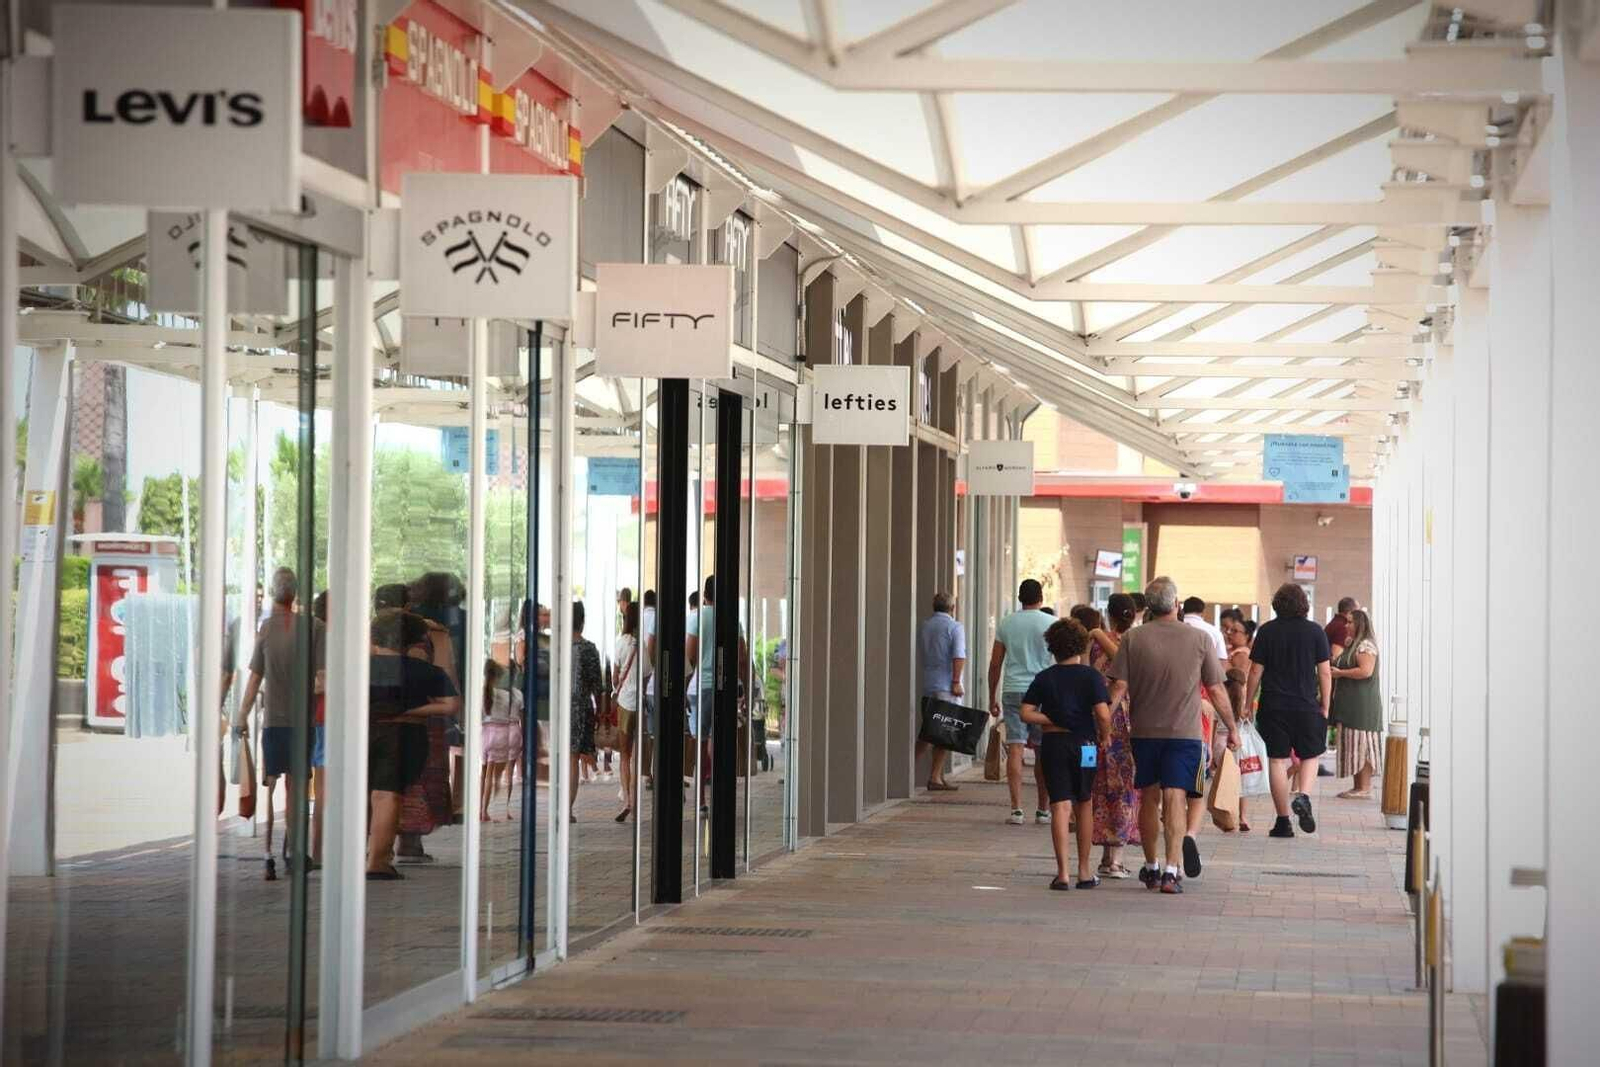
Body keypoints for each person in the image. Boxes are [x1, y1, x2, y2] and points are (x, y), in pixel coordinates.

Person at [1106, 577, 1238, 895]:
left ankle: (1150, 867)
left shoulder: (1133, 639)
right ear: (1176, 604)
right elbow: (1217, 690)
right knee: (1175, 796)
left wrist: (1101, 724)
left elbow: (1118, 687)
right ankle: (1170, 871)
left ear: (1149, 607)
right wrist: (1232, 727)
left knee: (1148, 797)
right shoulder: (1200, 639)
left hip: (1144, 731)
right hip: (1185, 733)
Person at [233, 568, 326, 881]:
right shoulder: (315, 628)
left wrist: (241, 715)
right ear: (296, 594)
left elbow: (254, 677)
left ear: (274, 594)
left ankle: (268, 854)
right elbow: (324, 680)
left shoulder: (266, 629)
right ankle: (293, 851)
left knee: (270, 787)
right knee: (297, 790)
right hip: (304, 724)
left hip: (274, 722)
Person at [1018, 619, 1112, 890]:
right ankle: (1084, 871)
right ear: (1082, 646)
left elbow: (1025, 712)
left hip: (1054, 744)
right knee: (1085, 802)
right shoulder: (1091, 676)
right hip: (1086, 745)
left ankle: (1062, 873)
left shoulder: (1045, 677)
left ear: (1052, 648)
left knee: (1059, 805)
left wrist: (1050, 719)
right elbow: (1103, 714)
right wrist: (1104, 735)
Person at [367, 609, 459, 880]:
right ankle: (378, 861)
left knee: (367, 795)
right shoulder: (424, 670)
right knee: (388, 795)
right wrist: (412, 711)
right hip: (405, 736)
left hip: (365, 732)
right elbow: (452, 705)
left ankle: (359, 854)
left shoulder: (358, 666)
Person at [1246, 583, 1333, 839]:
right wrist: (1325, 704)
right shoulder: (1315, 631)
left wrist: (1247, 704)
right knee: (1310, 755)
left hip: (1273, 706)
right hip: (1306, 705)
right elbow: (1325, 672)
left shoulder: (1267, 631)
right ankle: (1303, 796)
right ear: (1303, 604)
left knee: (1276, 760)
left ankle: (1283, 821)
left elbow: (1255, 672)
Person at [987, 579, 1054, 826]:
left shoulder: (1007, 623)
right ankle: (1042, 810)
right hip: (1043, 692)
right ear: (1041, 597)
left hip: (1013, 690)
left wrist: (992, 696)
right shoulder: (1051, 623)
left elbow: (995, 664)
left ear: (1019, 598)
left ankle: (1016, 810)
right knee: (1041, 750)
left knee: (1015, 747)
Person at [683, 577, 749, 813]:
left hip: (700, 688)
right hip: (725, 688)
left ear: (705, 594)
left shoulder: (696, 617)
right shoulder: (732, 618)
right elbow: (741, 656)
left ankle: (701, 801)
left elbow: (689, 655)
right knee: (718, 742)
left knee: (700, 744)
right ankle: (721, 795)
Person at [1086, 594, 1139, 877]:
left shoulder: (1097, 642)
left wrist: (1095, 631)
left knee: (1102, 788)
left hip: (1097, 722)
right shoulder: (1138, 642)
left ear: (1110, 613)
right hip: (1128, 726)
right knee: (1123, 791)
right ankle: (1115, 859)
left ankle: (1107, 857)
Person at [1180, 596, 1229, 864]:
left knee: (1169, 793)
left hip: (1161, 731)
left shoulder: (1168, 664)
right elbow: (1217, 683)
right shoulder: (1210, 638)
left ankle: (1163, 855)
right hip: (1197, 734)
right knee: (1196, 792)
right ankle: (1190, 833)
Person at [916, 592, 968, 791]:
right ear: (952, 608)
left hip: (929, 684)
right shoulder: (955, 627)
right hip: (946, 686)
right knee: (944, 733)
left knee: (929, 731)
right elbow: (958, 656)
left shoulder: (925, 626)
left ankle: (913, 771)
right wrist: (956, 681)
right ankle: (935, 777)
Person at [1329, 608, 1382, 799]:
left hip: (1363, 706)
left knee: (1363, 744)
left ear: (1360, 624)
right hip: (1350, 704)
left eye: (1350, 622)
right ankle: (1357, 786)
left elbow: (1365, 671)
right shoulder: (1352, 644)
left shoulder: (1366, 646)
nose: (1346, 625)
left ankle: (1365, 787)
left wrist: (1340, 673)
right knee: (1353, 745)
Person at [1218, 608, 1255, 831]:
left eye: (1235, 630)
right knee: (1237, 765)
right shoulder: (1235, 652)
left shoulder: (1241, 654)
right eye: (1228, 630)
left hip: (1234, 712)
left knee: (1233, 766)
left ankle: (1236, 814)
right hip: (1235, 712)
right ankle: (1241, 814)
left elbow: (1238, 683)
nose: (1230, 634)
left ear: (1246, 635)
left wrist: (1240, 709)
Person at [569, 600, 604, 821]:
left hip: (555, 710)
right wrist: (600, 713)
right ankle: (567, 809)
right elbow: (597, 687)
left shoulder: (554, 647)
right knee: (573, 760)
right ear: (582, 622)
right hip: (578, 710)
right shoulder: (589, 649)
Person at [478, 658, 522, 822]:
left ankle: (481, 810)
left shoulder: (483, 692)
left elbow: (479, 716)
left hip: (486, 734)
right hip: (504, 733)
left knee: (484, 774)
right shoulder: (511, 695)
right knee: (498, 775)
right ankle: (497, 810)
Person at [612, 601, 643, 821]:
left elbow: (614, 676)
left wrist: (619, 684)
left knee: (624, 755)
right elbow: (648, 672)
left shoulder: (620, 643)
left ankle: (628, 800)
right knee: (637, 755)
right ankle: (635, 797)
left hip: (624, 703)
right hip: (639, 704)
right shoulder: (639, 645)